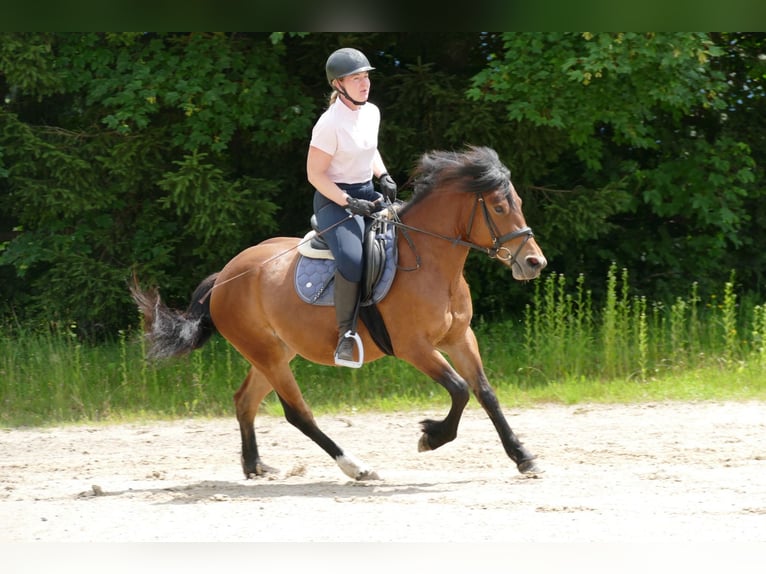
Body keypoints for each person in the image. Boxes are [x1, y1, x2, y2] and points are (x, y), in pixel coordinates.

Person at [306, 47, 398, 367]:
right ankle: (346, 335)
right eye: (356, 78)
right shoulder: (328, 124)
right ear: (338, 85)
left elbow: (369, 150)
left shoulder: (371, 112)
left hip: (367, 193)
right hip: (335, 200)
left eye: (366, 77)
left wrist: (383, 175)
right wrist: (347, 202)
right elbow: (314, 174)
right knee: (352, 258)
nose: (365, 83)